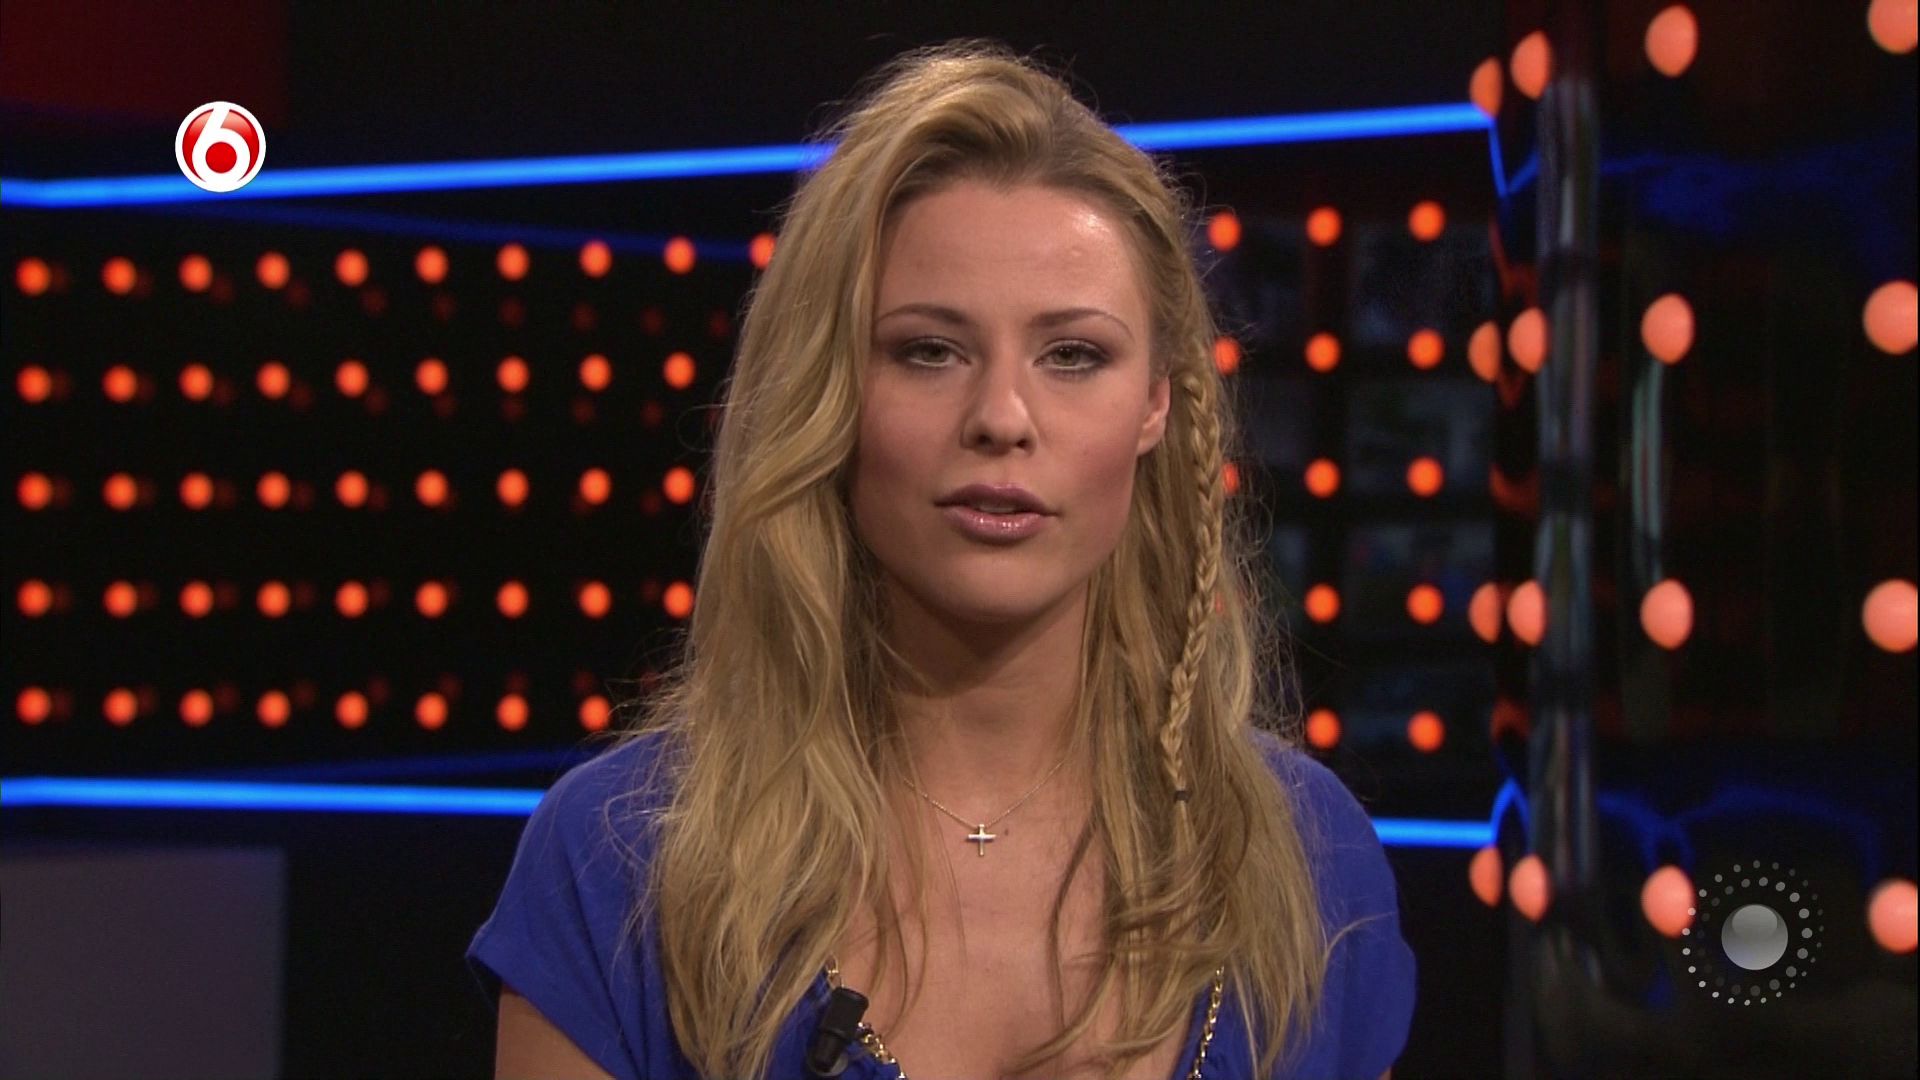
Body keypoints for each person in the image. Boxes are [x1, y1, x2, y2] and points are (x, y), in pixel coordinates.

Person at [467, 38, 1415, 1080]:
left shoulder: (1307, 862)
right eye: (929, 350)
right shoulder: (619, 860)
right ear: (832, 392)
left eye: (1073, 355)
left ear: (1156, 404)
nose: (1002, 417)